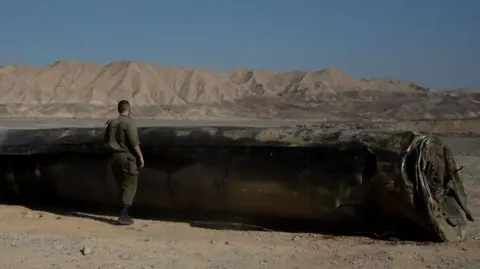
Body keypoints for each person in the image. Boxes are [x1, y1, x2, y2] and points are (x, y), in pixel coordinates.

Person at [104, 100, 144, 225]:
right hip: (126, 157)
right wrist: (140, 157)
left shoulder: (112, 123)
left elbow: (106, 140)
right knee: (130, 185)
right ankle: (124, 214)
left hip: (114, 157)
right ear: (129, 109)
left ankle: (122, 211)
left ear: (118, 109)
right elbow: (134, 142)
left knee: (121, 184)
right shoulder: (129, 123)